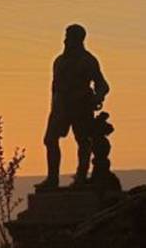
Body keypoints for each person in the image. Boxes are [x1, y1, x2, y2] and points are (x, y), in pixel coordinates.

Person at [35, 24, 110, 189]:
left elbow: (102, 84)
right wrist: (55, 107)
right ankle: (52, 179)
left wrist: (96, 98)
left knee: (83, 141)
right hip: (60, 107)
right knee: (50, 140)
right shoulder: (59, 61)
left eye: (70, 37)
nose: (66, 40)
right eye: (66, 36)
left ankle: (81, 177)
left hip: (81, 105)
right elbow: (54, 87)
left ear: (79, 39)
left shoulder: (88, 60)